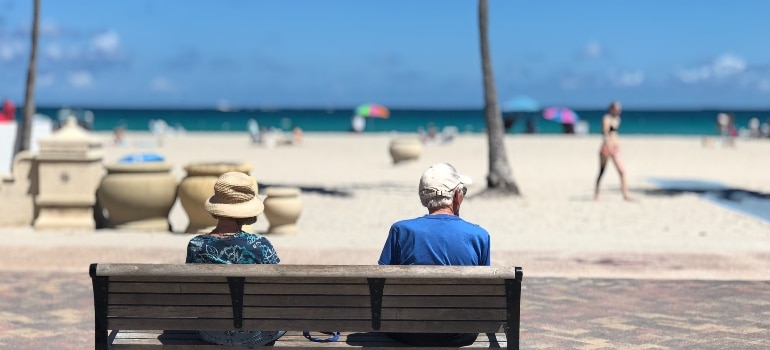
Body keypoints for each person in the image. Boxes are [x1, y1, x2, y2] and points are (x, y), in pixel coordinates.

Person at [378, 163, 490, 347]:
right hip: (461, 333)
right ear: (456, 195)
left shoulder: (401, 230)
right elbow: (484, 293)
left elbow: (382, 285)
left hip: (406, 331)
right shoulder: (479, 236)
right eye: (463, 191)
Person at [185, 172, 284, 347]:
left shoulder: (196, 245)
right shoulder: (260, 245)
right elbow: (277, 291)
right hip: (257, 334)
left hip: (210, 332)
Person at [594, 101, 632, 201]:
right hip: (606, 148)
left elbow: (614, 134)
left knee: (622, 171)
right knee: (602, 171)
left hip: (615, 148)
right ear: (611, 108)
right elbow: (605, 133)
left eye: (619, 109)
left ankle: (625, 194)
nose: (618, 110)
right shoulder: (606, 118)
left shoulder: (617, 119)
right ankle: (597, 193)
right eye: (616, 108)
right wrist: (608, 144)